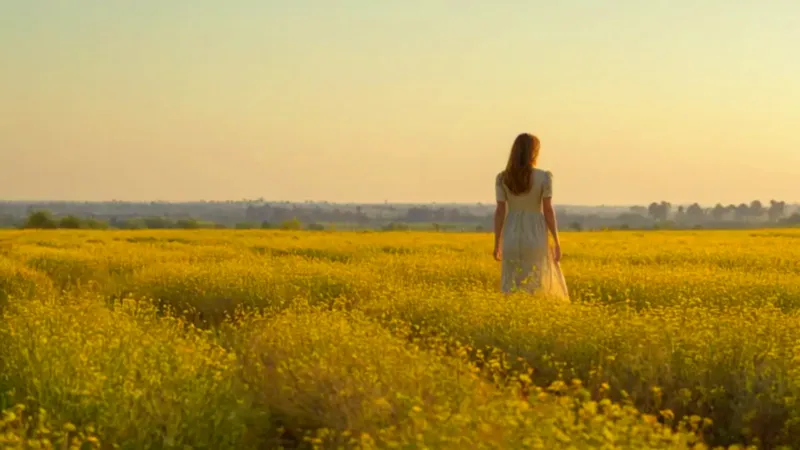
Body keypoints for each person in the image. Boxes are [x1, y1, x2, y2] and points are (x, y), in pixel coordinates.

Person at [493, 133, 569, 299]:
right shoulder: (544, 177)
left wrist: (497, 242)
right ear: (533, 152)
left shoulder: (502, 178)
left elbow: (500, 211)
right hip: (535, 232)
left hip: (512, 233)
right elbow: (548, 210)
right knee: (534, 281)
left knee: (511, 283)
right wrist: (557, 241)